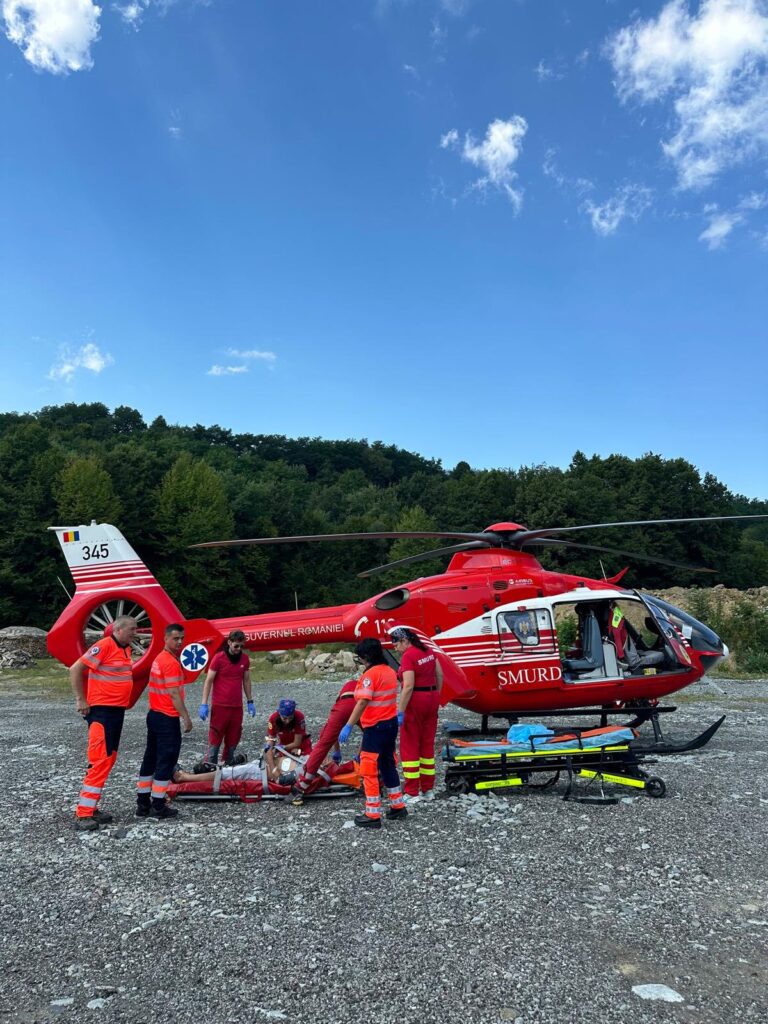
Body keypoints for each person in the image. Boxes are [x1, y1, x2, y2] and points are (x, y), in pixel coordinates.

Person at [69, 615, 137, 831]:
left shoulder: (125, 649)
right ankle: (84, 813)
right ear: (118, 629)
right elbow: (75, 669)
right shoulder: (104, 646)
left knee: (108, 758)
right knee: (100, 759)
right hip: (102, 712)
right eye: (132, 629)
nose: (135, 633)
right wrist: (81, 699)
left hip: (115, 711)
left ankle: (91, 807)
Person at [338, 638, 407, 829]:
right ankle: (398, 806)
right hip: (390, 724)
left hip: (375, 727)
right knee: (388, 765)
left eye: (360, 657)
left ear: (366, 656)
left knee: (368, 769)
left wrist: (349, 725)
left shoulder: (370, 675)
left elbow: (363, 701)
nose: (360, 660)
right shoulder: (390, 671)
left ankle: (372, 814)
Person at [136, 623, 193, 821]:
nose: (179, 642)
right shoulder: (170, 662)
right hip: (167, 717)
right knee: (166, 760)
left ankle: (143, 803)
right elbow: (174, 693)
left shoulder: (159, 658)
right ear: (166, 638)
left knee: (150, 759)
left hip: (154, 714)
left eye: (181, 638)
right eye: (175, 638)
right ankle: (158, 805)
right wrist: (186, 717)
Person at [391, 626, 443, 804]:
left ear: (405, 641)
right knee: (427, 745)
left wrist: (400, 711)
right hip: (432, 697)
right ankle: (428, 789)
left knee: (410, 745)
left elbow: (408, 686)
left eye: (396, 644)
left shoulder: (409, 656)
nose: (396, 649)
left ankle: (412, 791)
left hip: (416, 700)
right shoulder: (428, 650)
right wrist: (436, 695)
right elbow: (439, 674)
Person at [289, 679, 357, 806]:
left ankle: (301, 786)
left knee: (322, 745)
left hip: (346, 704)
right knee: (373, 738)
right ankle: (377, 775)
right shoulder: (367, 682)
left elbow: (330, 734)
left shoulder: (344, 693)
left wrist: (337, 751)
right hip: (363, 704)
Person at [198, 630, 254, 766]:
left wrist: (250, 701)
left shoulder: (245, 659)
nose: (239, 649)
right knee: (216, 735)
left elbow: (246, 680)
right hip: (220, 706)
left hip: (237, 706)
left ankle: (228, 762)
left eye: (241, 646)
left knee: (234, 735)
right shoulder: (218, 658)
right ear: (229, 642)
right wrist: (204, 703)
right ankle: (210, 764)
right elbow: (209, 680)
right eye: (236, 646)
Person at [264, 699, 311, 781]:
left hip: (301, 745)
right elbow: (271, 738)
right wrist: (269, 747)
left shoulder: (299, 717)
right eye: (284, 718)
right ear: (279, 714)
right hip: (284, 745)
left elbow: (297, 743)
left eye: (290, 718)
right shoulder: (273, 718)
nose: (288, 721)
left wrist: (282, 748)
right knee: (281, 764)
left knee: (308, 765)